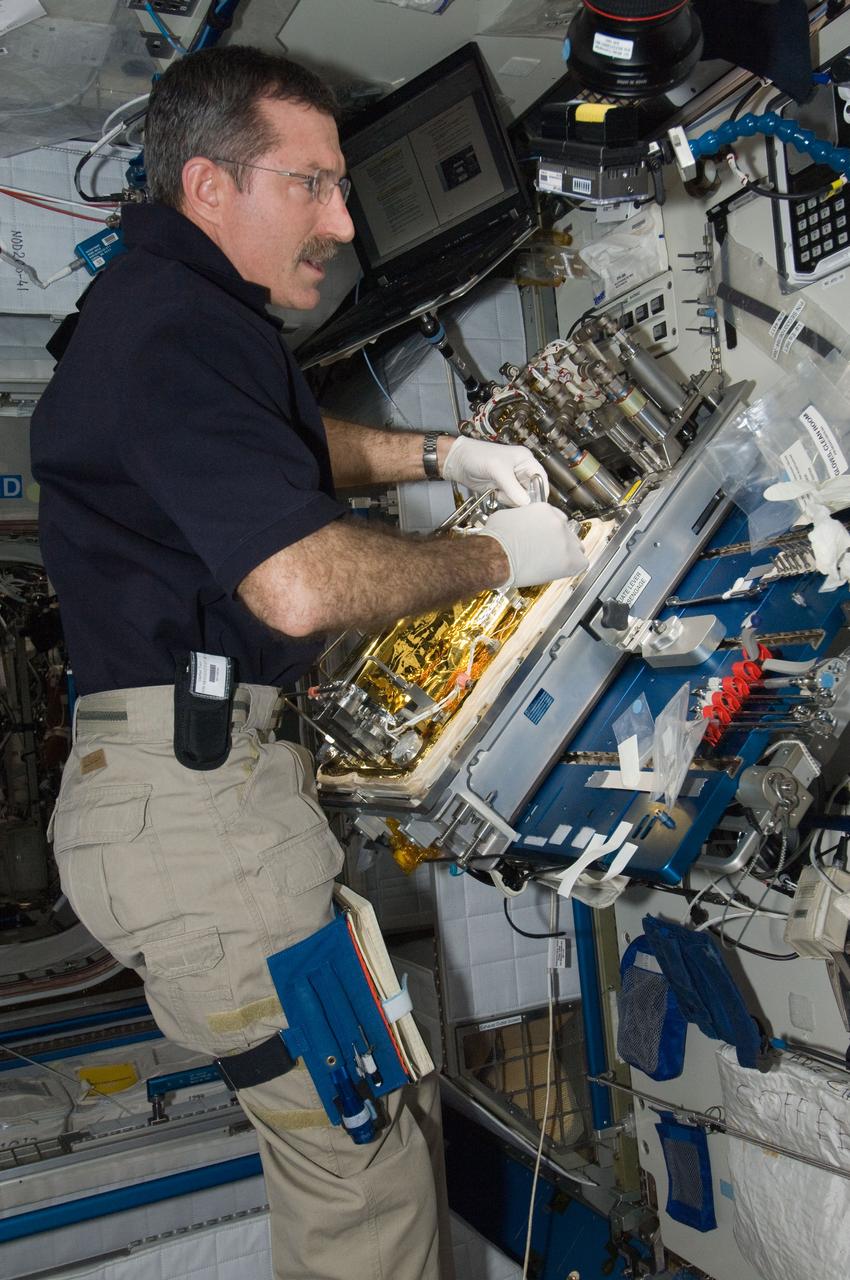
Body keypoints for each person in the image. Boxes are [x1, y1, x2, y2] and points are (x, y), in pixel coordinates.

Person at [30, 45, 587, 1280]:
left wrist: (439, 454)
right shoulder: (175, 327)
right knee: (364, 1165)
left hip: (182, 806)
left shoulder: (158, 318)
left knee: (348, 1149)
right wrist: (501, 555)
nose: (341, 222)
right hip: (198, 817)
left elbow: (272, 445)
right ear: (209, 185)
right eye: (313, 185)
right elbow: (296, 580)